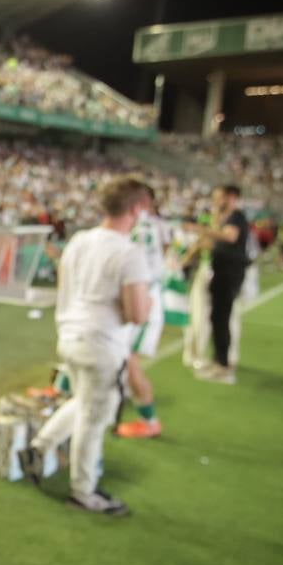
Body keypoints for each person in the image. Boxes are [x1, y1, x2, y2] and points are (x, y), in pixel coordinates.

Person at [19, 176, 153, 516]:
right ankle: (84, 491)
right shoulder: (128, 251)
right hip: (102, 342)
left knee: (83, 402)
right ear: (136, 208)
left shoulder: (80, 240)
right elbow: (136, 313)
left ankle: (39, 446)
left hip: (70, 335)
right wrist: (148, 302)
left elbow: (67, 285)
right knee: (94, 419)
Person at [117, 186, 168, 439]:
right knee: (120, 357)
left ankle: (150, 421)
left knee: (129, 360)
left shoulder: (132, 225)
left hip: (143, 297)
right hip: (147, 291)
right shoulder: (158, 224)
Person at [193, 185, 249, 384]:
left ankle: (224, 366)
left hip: (229, 272)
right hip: (220, 271)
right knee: (216, 317)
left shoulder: (236, 216)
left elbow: (229, 236)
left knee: (223, 317)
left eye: (219, 197)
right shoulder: (223, 217)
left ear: (231, 197)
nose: (216, 201)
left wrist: (200, 229)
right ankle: (218, 361)